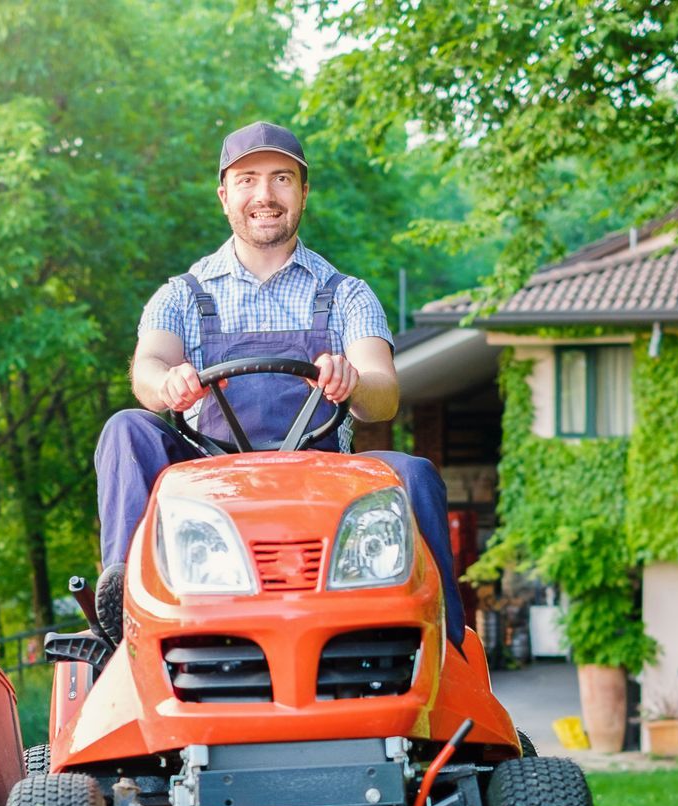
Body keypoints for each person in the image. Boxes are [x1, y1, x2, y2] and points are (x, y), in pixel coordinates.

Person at [94, 120, 463, 646]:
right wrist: (167, 382)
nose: (264, 195)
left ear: (304, 192)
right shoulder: (180, 295)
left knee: (415, 473)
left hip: (324, 485)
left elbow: (382, 395)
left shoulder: (347, 295)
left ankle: (446, 645)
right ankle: (127, 605)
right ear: (224, 196)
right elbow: (148, 365)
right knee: (127, 428)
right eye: (247, 180)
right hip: (209, 484)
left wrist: (353, 379)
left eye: (281, 179)